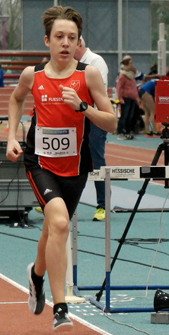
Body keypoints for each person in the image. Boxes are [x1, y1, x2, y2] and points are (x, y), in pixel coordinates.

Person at [6, 5, 116, 331]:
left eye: (71, 37)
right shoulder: (33, 75)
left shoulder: (88, 75)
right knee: (59, 223)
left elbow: (111, 121)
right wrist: (11, 136)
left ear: (78, 42)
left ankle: (35, 275)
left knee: (53, 229)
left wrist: (82, 107)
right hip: (39, 162)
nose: (66, 43)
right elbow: (15, 99)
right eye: (59, 37)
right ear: (47, 41)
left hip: (76, 166)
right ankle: (61, 308)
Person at [73, 36, 108, 221]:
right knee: (70, 158)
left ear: (78, 43)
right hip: (76, 118)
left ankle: (102, 205)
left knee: (96, 159)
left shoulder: (95, 61)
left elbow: (96, 92)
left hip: (96, 118)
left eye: (71, 40)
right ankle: (58, 200)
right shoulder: (71, 64)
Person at [116, 57, 140, 140]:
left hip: (132, 98)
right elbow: (118, 87)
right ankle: (121, 132)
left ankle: (128, 132)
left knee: (130, 117)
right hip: (125, 98)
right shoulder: (122, 75)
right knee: (124, 116)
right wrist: (120, 98)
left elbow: (134, 87)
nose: (131, 65)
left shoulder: (132, 75)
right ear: (126, 64)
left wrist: (137, 98)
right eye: (130, 63)